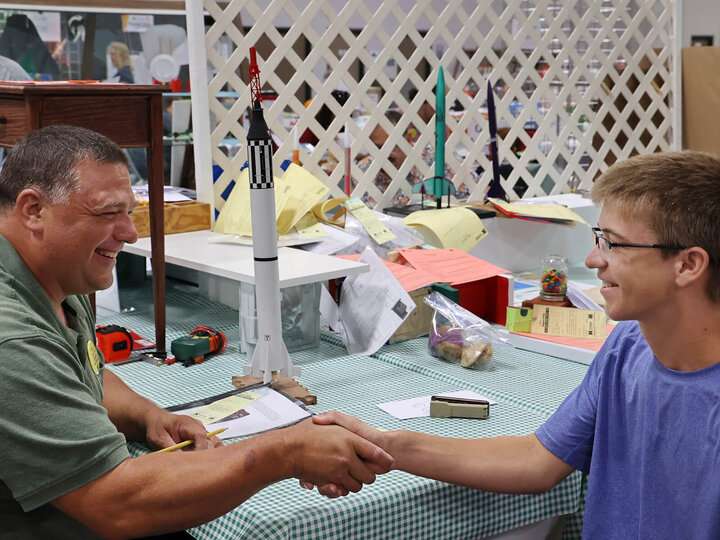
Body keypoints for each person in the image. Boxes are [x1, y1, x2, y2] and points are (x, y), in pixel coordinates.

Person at [0, 125, 393, 538]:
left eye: (129, 212)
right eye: (106, 212)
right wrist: (285, 453)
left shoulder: (58, 275)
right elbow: (115, 504)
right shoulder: (13, 336)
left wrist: (147, 416)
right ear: (33, 210)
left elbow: (77, 371)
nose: (130, 233)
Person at [311, 151, 720, 537]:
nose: (594, 260)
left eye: (612, 243)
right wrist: (382, 445)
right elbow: (536, 460)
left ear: (688, 264)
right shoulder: (628, 346)